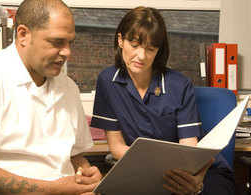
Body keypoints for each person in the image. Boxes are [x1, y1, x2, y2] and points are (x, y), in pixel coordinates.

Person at [91, 6, 235, 195]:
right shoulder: (107, 81)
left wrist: (195, 183)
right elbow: (116, 146)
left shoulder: (180, 85)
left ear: (158, 50)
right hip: (142, 169)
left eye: (150, 49)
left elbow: (188, 149)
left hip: (193, 170)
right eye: (134, 45)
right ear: (120, 40)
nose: (141, 56)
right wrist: (150, 168)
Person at [0, 0, 102, 194]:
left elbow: (74, 156)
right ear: (23, 35)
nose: (67, 52)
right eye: (57, 42)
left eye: (70, 42)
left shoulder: (68, 88)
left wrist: (86, 173)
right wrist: (54, 189)